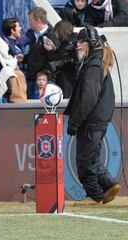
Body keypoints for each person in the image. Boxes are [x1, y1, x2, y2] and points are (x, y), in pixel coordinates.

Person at [64, 26, 121, 206]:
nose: (77, 46)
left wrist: (75, 122)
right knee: (92, 156)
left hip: (91, 120)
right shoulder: (95, 62)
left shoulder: (93, 65)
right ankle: (108, 184)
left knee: (84, 160)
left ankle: (94, 197)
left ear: (89, 44)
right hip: (97, 119)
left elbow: (89, 97)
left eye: (80, 42)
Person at [25, 7, 59, 99]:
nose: (30, 23)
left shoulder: (51, 36)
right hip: (31, 80)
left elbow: (54, 59)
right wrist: (24, 58)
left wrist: (44, 77)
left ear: (38, 20)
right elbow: (36, 54)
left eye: (31, 20)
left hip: (42, 82)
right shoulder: (33, 35)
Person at [45, 20, 78, 98]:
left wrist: (50, 51)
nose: (56, 35)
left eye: (56, 32)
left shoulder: (67, 42)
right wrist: (55, 50)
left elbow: (58, 60)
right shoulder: (75, 40)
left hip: (67, 78)